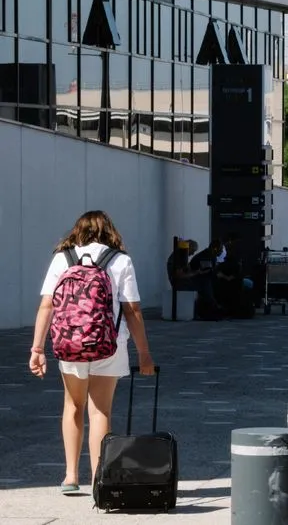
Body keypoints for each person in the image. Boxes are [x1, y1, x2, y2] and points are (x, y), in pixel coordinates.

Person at [28, 211, 155, 493]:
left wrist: (38, 348)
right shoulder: (120, 260)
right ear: (110, 231)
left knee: (73, 406)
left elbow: (47, 305)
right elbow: (132, 309)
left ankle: (71, 476)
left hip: (69, 345)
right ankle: (100, 478)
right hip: (108, 345)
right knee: (100, 411)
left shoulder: (63, 258)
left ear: (78, 231)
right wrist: (144, 353)